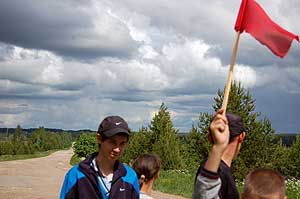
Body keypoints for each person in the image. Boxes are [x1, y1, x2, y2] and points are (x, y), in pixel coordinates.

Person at [60, 115, 140, 199]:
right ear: (99, 138)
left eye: (122, 143)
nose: (117, 149)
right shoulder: (76, 174)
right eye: (112, 142)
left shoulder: (130, 177)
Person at [192, 109, 246, 199]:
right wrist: (218, 147)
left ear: (209, 138)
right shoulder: (216, 171)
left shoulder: (213, 168)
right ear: (242, 136)